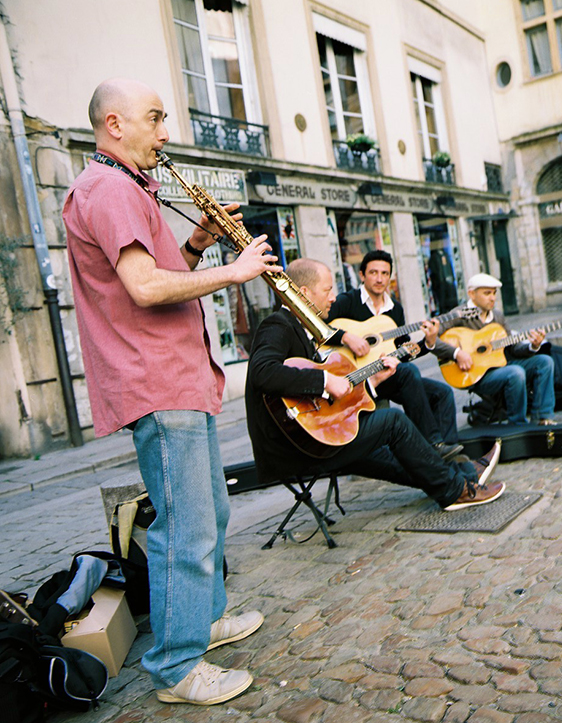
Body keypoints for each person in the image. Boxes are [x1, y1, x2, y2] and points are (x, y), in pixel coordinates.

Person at [63, 78, 277, 706]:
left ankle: (202, 621)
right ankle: (175, 666)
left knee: (207, 513)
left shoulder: (124, 187)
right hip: (156, 378)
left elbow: (157, 271)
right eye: (154, 119)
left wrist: (196, 246)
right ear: (114, 125)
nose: (164, 132)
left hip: (177, 375)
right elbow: (145, 289)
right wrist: (233, 270)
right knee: (185, 526)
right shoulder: (108, 188)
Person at [245, 258, 503, 511]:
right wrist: (325, 379)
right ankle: (456, 491)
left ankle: (461, 475)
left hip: (318, 435)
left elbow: (319, 402)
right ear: (304, 293)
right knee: (392, 422)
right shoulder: (277, 325)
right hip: (295, 449)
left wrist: (373, 382)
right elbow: (262, 372)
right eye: (327, 290)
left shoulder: (303, 329)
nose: (332, 297)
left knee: (384, 451)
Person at [328, 250, 461, 460]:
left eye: (384, 273)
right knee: (409, 373)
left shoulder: (395, 310)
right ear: (362, 275)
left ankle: (448, 456)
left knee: (442, 393)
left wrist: (429, 342)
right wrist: (346, 337)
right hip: (358, 378)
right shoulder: (347, 302)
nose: (380, 278)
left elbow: (404, 351)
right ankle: (432, 445)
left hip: (388, 376)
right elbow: (318, 328)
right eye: (373, 272)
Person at [431, 273, 557, 426]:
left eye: (494, 293)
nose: (492, 298)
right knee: (516, 372)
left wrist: (533, 346)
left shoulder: (498, 316)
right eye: (487, 293)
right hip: (476, 375)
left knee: (545, 362)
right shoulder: (459, 314)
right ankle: (518, 425)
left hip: (500, 366)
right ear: (472, 294)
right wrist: (457, 354)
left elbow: (514, 349)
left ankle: (543, 418)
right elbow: (432, 339)